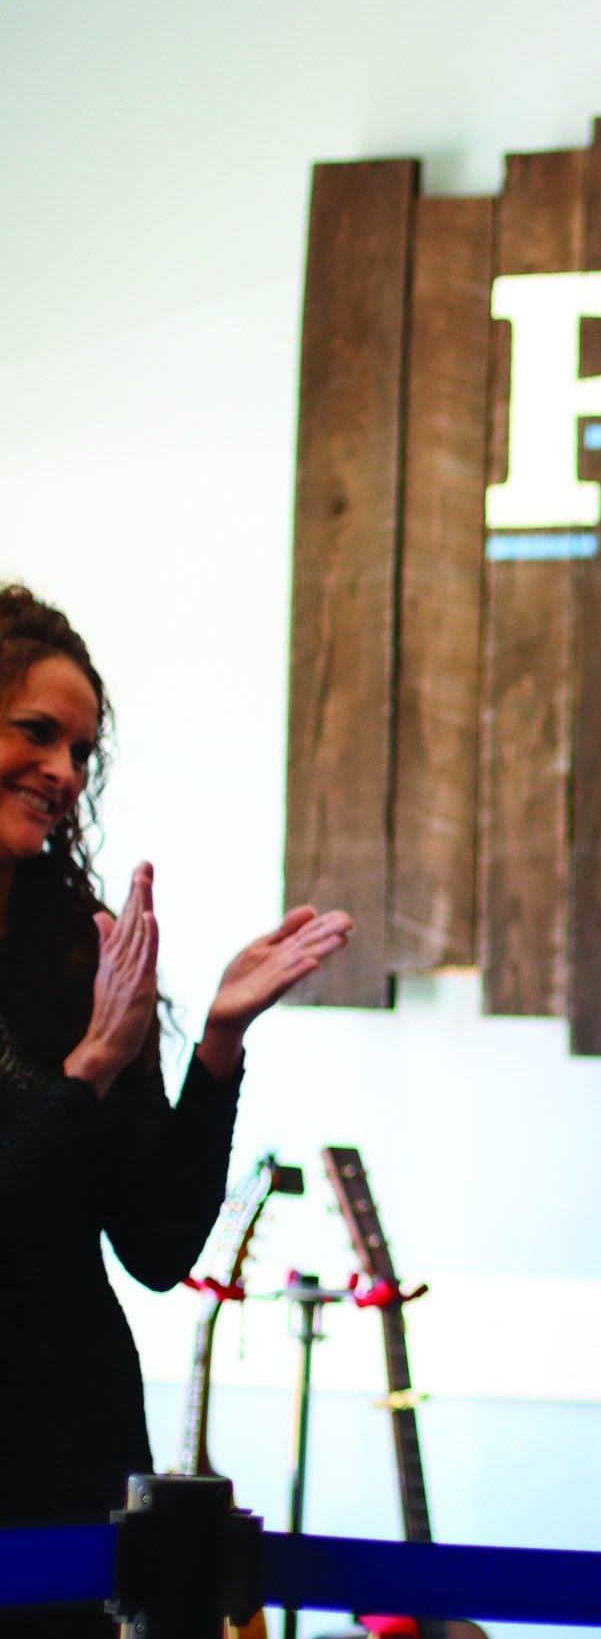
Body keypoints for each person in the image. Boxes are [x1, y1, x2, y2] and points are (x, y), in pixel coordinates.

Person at [0, 587, 354, 1545]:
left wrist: (218, 1046)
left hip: (76, 1459)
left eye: (81, 751)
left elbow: (156, 1247)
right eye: (36, 732)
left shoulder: (85, 953)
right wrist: (84, 1074)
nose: (64, 771)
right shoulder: (94, 1015)